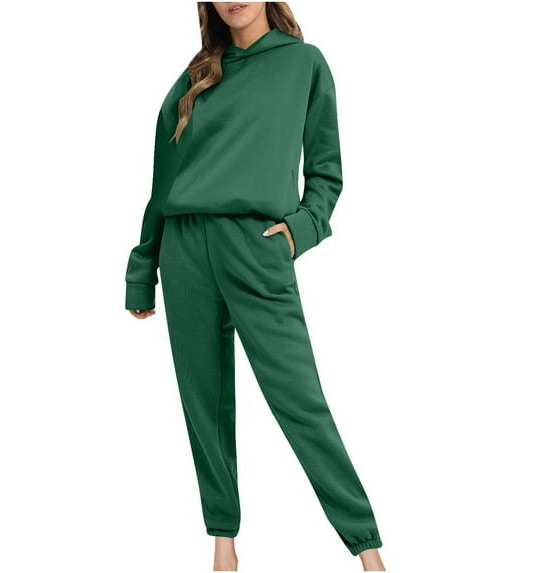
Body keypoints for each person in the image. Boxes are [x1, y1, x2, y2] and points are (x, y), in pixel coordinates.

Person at [124, 2, 386, 571]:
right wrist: (143, 269)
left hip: (256, 245)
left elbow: (326, 171)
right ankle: (223, 545)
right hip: (184, 249)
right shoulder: (195, 77)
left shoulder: (304, 64)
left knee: (300, 400)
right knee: (204, 401)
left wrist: (299, 232)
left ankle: (367, 549)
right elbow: (162, 183)